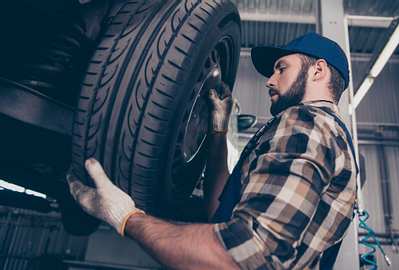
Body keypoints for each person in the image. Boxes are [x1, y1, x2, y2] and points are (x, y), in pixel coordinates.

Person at [67, 32, 357, 269]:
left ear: (318, 70)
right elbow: (220, 211)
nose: (269, 79)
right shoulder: (318, 132)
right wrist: (218, 131)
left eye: (281, 68)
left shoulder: (307, 123)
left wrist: (127, 218)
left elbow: (243, 254)